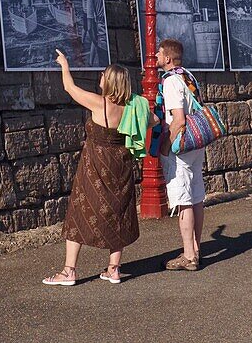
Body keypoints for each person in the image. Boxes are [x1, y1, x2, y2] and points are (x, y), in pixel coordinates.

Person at [42, 51, 147, 286]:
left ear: (109, 81)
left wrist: (64, 64)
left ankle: (69, 271)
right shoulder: (133, 106)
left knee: (79, 213)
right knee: (118, 213)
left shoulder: (100, 103)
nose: (100, 76)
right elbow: (152, 121)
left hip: (95, 167)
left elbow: (69, 88)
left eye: (103, 74)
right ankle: (114, 269)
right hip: (121, 166)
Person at [157, 39, 206, 271]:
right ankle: (196, 247)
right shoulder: (188, 76)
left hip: (182, 145)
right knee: (196, 196)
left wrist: (165, 146)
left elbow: (178, 119)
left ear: (167, 58)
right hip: (198, 142)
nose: (156, 55)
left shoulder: (170, 82)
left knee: (182, 199)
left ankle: (188, 255)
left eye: (159, 52)